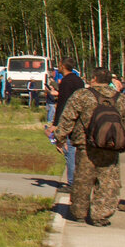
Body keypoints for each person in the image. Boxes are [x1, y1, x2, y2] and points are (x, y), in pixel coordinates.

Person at [55, 67, 125, 226]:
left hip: (86, 146)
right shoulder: (120, 98)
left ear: (94, 78)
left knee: (83, 180)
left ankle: (79, 212)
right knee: (108, 182)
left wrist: (59, 137)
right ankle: (100, 215)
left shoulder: (82, 95)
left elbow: (68, 117)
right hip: (110, 147)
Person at [46, 57, 84, 190]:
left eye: (59, 65)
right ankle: (77, 180)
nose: (59, 67)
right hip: (80, 120)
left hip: (69, 120)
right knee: (76, 151)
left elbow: (63, 103)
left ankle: (72, 183)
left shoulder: (66, 82)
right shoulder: (79, 80)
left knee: (70, 150)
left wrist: (56, 123)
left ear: (63, 66)